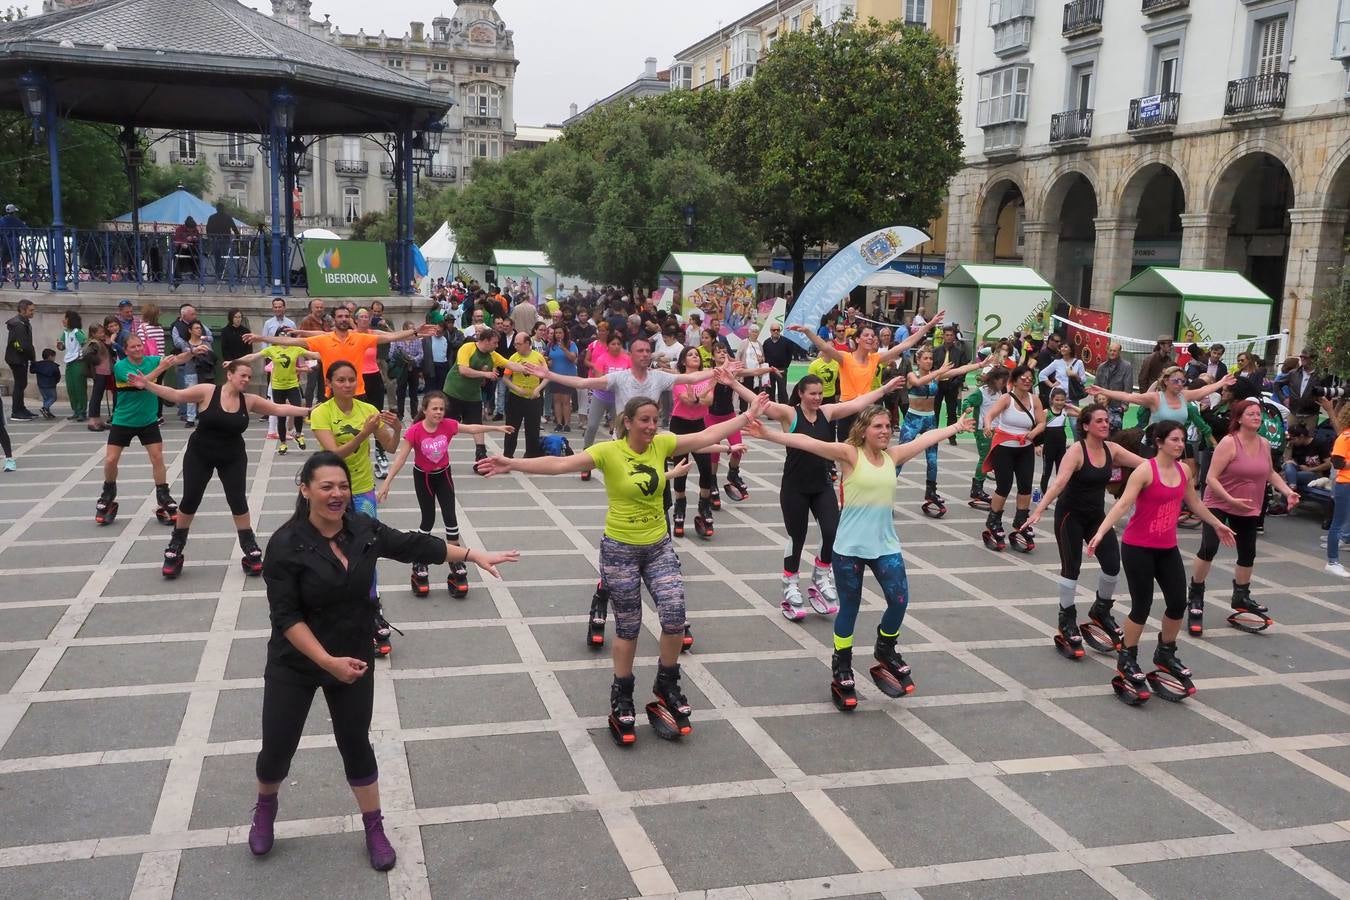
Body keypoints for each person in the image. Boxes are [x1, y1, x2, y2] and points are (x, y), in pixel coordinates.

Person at [250, 451, 517, 869]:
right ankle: (266, 807)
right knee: (277, 749)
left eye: (343, 486)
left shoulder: (362, 528)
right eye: (326, 487)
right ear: (305, 490)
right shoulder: (286, 544)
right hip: (296, 661)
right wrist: (325, 661)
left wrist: (470, 555)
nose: (337, 494)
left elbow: (411, 543)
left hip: (352, 656)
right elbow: (286, 618)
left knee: (355, 743)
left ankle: (374, 825)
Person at [478, 395, 768, 744]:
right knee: (628, 627)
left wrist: (746, 415)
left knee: (675, 615)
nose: (651, 426)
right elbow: (560, 465)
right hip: (620, 551)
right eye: (644, 420)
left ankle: (667, 681)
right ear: (627, 421)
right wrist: (513, 463)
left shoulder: (662, 444)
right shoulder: (609, 452)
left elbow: (705, 436)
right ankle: (622, 694)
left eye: (655, 419)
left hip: (659, 547)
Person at [746, 404, 975, 710]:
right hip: (849, 549)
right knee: (849, 609)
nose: (884, 432)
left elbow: (926, 438)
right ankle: (842, 665)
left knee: (899, 600)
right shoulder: (850, 455)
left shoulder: (893, 456)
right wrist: (769, 435)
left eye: (887, 427)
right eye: (878, 426)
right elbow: (809, 443)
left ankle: (886, 647)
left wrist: (956, 427)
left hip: (885, 546)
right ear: (864, 429)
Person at [724, 369, 906, 618]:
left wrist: (884, 389)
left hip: (822, 485)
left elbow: (856, 404)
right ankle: (789, 584)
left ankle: (821, 575)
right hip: (795, 486)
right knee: (796, 537)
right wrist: (734, 383)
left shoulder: (827, 412)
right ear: (800, 394)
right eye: (812, 394)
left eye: (820, 393)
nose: (818, 398)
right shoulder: (790, 413)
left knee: (832, 532)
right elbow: (762, 404)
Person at [1088, 421, 1237, 704]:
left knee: (1177, 603)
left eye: (1182, 440)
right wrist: (1101, 532)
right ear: (1159, 442)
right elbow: (1122, 505)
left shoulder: (1184, 470)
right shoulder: (1145, 471)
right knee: (1141, 607)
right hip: (1138, 548)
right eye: (1175, 440)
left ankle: (1165, 652)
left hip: (1167, 548)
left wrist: (1218, 524)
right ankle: (1127, 658)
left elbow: (1194, 503)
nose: (1181, 445)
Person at [127, 360, 310, 578]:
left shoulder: (249, 400)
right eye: (242, 375)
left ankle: (249, 546)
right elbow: (175, 395)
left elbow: (279, 408)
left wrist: (308, 410)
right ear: (230, 374)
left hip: (232, 456)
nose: (246, 380)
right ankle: (176, 545)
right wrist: (147, 384)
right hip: (200, 454)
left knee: (238, 501)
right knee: (190, 500)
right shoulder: (207, 391)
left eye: (249, 377)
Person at [1028, 404, 1147, 659]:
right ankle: (1067, 617)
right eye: (1100, 421)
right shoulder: (1076, 451)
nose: (1106, 424)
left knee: (1113, 565)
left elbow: (1145, 465)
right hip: (1070, 516)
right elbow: (1059, 483)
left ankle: (1101, 609)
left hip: (1096, 517)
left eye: (1107, 420)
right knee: (1072, 569)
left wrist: (1171, 466)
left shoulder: (1112, 449)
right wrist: (1039, 509)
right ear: (1085, 426)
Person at [378, 391, 513, 596]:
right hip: (423, 478)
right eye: (435, 408)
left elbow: (471, 427)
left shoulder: (448, 425)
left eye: (441, 409)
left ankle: (456, 560)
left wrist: (496, 427)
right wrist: (387, 483)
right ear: (425, 410)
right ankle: (420, 561)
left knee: (451, 519)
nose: (439, 412)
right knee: (428, 521)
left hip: (444, 476)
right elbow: (401, 458)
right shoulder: (415, 431)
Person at [310, 360, 403, 655]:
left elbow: (389, 447)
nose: (347, 384)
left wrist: (397, 428)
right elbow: (334, 454)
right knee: (330, 552)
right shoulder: (321, 413)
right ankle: (329, 611)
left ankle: (371, 609)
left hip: (362, 491)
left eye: (352, 379)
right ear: (330, 383)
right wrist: (363, 434)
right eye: (341, 380)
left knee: (366, 549)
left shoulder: (369, 411)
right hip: (330, 491)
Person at [1186, 399, 1299, 634]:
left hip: (1248, 505)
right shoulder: (1229, 443)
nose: (1257, 417)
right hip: (1219, 502)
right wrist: (1229, 499)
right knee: (1209, 548)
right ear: (1239, 418)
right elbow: (1211, 479)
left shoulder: (1264, 444)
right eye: (1251, 414)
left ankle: (1241, 595)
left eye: (1259, 414)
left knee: (1248, 552)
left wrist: (1288, 491)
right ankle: (1196, 597)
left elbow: (1269, 472)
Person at [95, 335, 206, 526]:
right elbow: (141, 383)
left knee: (157, 457)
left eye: (140, 345)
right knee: (111, 459)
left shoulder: (152, 359)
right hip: (124, 420)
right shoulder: (121, 366)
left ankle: (163, 494)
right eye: (133, 347)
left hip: (148, 420)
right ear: (126, 350)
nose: (138, 349)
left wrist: (192, 352)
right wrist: (161, 368)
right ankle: (108, 491)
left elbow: (176, 359)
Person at [788, 315, 941, 437]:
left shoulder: (875, 359)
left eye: (872, 336)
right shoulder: (845, 358)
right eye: (866, 335)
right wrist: (807, 331)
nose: (870, 338)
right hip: (846, 410)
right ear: (857, 339)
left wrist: (929, 325)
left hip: (866, 412)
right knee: (845, 453)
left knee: (863, 454)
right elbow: (823, 347)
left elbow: (905, 344)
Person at [901, 346, 981, 515]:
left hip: (930, 419)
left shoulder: (936, 375)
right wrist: (938, 373)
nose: (929, 361)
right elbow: (917, 383)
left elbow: (959, 370)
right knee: (899, 459)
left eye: (931, 358)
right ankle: (886, 494)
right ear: (918, 360)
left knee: (933, 459)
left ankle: (931, 491)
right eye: (925, 358)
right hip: (912, 420)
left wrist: (980, 365)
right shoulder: (912, 375)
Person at [980, 365, 1045, 552]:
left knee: (1025, 486)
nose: (1027, 381)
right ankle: (994, 521)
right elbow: (990, 414)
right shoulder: (1006, 398)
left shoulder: (1035, 400)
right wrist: (987, 426)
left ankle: (1021, 521)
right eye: (1023, 378)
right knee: (1004, 486)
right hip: (1004, 448)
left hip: (1025, 449)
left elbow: (1041, 422)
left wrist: (1033, 433)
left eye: (1030, 378)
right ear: (1014, 381)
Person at [237, 331, 320, 455]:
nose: (284, 337)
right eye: (281, 335)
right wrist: (234, 362)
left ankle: (298, 434)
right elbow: (252, 357)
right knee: (280, 414)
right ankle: (282, 443)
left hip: (292, 385)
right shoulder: (272, 349)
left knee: (297, 409)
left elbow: (315, 354)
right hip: (278, 386)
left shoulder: (296, 349)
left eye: (286, 335)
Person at [961, 366, 1009, 509]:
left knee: (994, 457)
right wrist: (967, 408)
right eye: (1002, 380)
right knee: (984, 457)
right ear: (994, 379)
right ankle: (977, 488)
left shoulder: (1000, 392)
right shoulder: (982, 393)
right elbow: (967, 402)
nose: (1004, 383)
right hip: (983, 430)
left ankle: (983, 486)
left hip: (997, 429)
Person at [502, 330, 546, 458]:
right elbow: (505, 378)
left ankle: (531, 455)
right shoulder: (513, 358)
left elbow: (547, 376)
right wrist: (516, 388)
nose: (516, 346)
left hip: (533, 398)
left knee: (533, 429)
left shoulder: (538, 357)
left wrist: (538, 389)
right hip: (516, 397)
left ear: (527, 343)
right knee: (511, 428)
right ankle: (508, 455)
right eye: (515, 344)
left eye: (519, 344)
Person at [932, 325, 971, 439]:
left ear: (954, 337)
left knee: (952, 411)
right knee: (935, 410)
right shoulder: (936, 351)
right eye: (947, 335)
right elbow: (932, 368)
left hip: (952, 385)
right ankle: (934, 435)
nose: (949, 337)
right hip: (938, 384)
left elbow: (963, 369)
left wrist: (957, 382)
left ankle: (952, 436)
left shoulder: (960, 352)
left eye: (951, 335)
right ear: (943, 336)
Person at [1325, 403, 1350, 578]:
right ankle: (1332, 561)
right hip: (1345, 484)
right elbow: (1338, 462)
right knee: (1338, 523)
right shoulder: (1345, 437)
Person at [5, 298, 35, 418]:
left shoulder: (24, 322)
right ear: (22, 310)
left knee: (22, 384)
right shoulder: (18, 324)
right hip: (18, 359)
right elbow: (20, 344)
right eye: (31, 310)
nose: (33, 312)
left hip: (20, 358)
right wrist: (27, 355)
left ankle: (21, 408)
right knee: (20, 384)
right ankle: (16, 412)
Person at [545, 324, 579, 432]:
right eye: (556, 333)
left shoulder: (571, 344)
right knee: (556, 400)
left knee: (566, 400)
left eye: (560, 333)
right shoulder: (551, 345)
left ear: (565, 334)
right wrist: (547, 360)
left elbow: (573, 358)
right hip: (555, 375)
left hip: (568, 375)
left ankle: (567, 423)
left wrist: (564, 349)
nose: (558, 335)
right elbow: (547, 357)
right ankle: (559, 423)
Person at [1093, 342, 1133, 429]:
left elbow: (1128, 387)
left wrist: (1124, 405)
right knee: (1100, 429)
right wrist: (1096, 401)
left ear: (1119, 352)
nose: (1112, 353)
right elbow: (1096, 385)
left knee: (1116, 432)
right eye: (1110, 350)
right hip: (1102, 405)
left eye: (1114, 351)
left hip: (1117, 406)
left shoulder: (1127, 366)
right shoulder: (1101, 367)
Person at [83, 324, 112, 431]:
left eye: (103, 332)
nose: (103, 334)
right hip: (99, 373)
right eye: (100, 332)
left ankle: (98, 419)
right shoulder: (94, 343)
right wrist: (97, 361)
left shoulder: (101, 343)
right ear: (93, 334)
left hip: (104, 372)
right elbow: (87, 354)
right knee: (96, 396)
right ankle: (92, 420)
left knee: (98, 396)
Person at [761, 322, 795, 404]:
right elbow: (764, 356)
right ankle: (771, 410)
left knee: (782, 391)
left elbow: (789, 356)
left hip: (781, 370)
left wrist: (785, 367)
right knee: (770, 391)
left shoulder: (786, 342)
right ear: (770, 331)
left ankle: (784, 410)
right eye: (774, 330)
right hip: (770, 370)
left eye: (778, 330)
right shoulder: (766, 343)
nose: (776, 331)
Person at [205, 202, 240, 280]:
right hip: (225, 240)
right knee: (224, 257)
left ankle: (218, 274)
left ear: (216, 209)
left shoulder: (212, 217)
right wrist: (238, 237)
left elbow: (208, 229)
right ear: (224, 209)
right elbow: (234, 228)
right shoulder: (228, 217)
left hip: (215, 240)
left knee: (217, 258)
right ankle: (221, 274)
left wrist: (210, 237)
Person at [30, 348, 60, 418]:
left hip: (41, 385)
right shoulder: (54, 366)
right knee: (53, 398)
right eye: (54, 356)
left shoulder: (38, 365)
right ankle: (45, 408)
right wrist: (56, 381)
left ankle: (47, 413)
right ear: (50, 356)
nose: (54, 358)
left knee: (46, 398)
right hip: (50, 385)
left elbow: (32, 371)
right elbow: (57, 375)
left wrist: (32, 363)